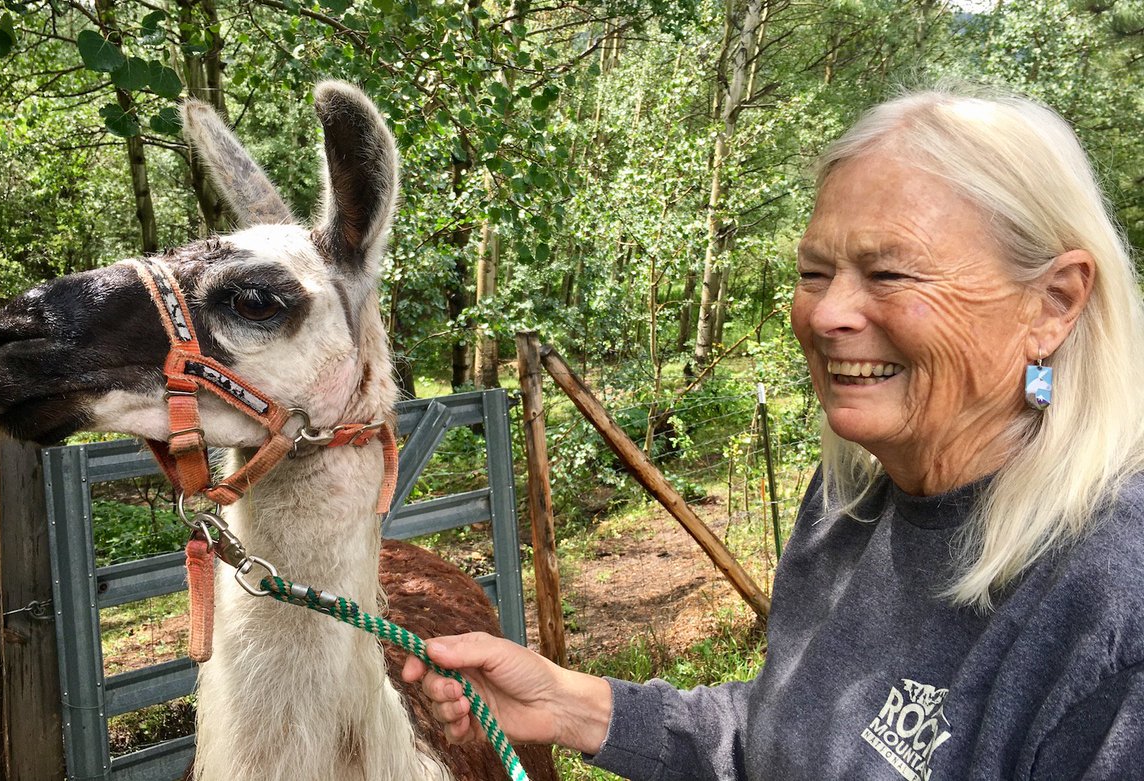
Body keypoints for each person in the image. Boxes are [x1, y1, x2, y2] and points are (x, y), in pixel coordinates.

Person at [402, 86, 1144, 780]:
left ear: (1053, 302)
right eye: (815, 272)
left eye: (889, 274)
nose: (826, 315)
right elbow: (782, 738)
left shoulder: (1113, 604)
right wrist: (568, 703)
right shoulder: (851, 495)